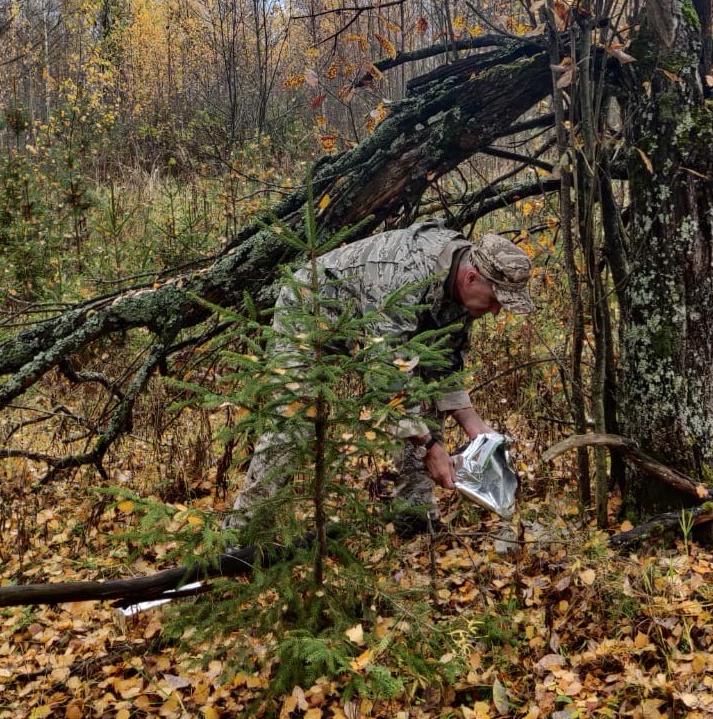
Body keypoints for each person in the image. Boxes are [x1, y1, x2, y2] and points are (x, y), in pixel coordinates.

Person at [225, 219, 534, 536]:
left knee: (425, 407)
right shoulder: (403, 276)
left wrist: (475, 427)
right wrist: (431, 447)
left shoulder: (459, 285)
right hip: (309, 309)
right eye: (495, 300)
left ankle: (415, 523)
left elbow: (443, 362)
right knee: (294, 421)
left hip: (368, 326)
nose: (496, 311)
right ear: (470, 278)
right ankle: (240, 537)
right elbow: (386, 376)